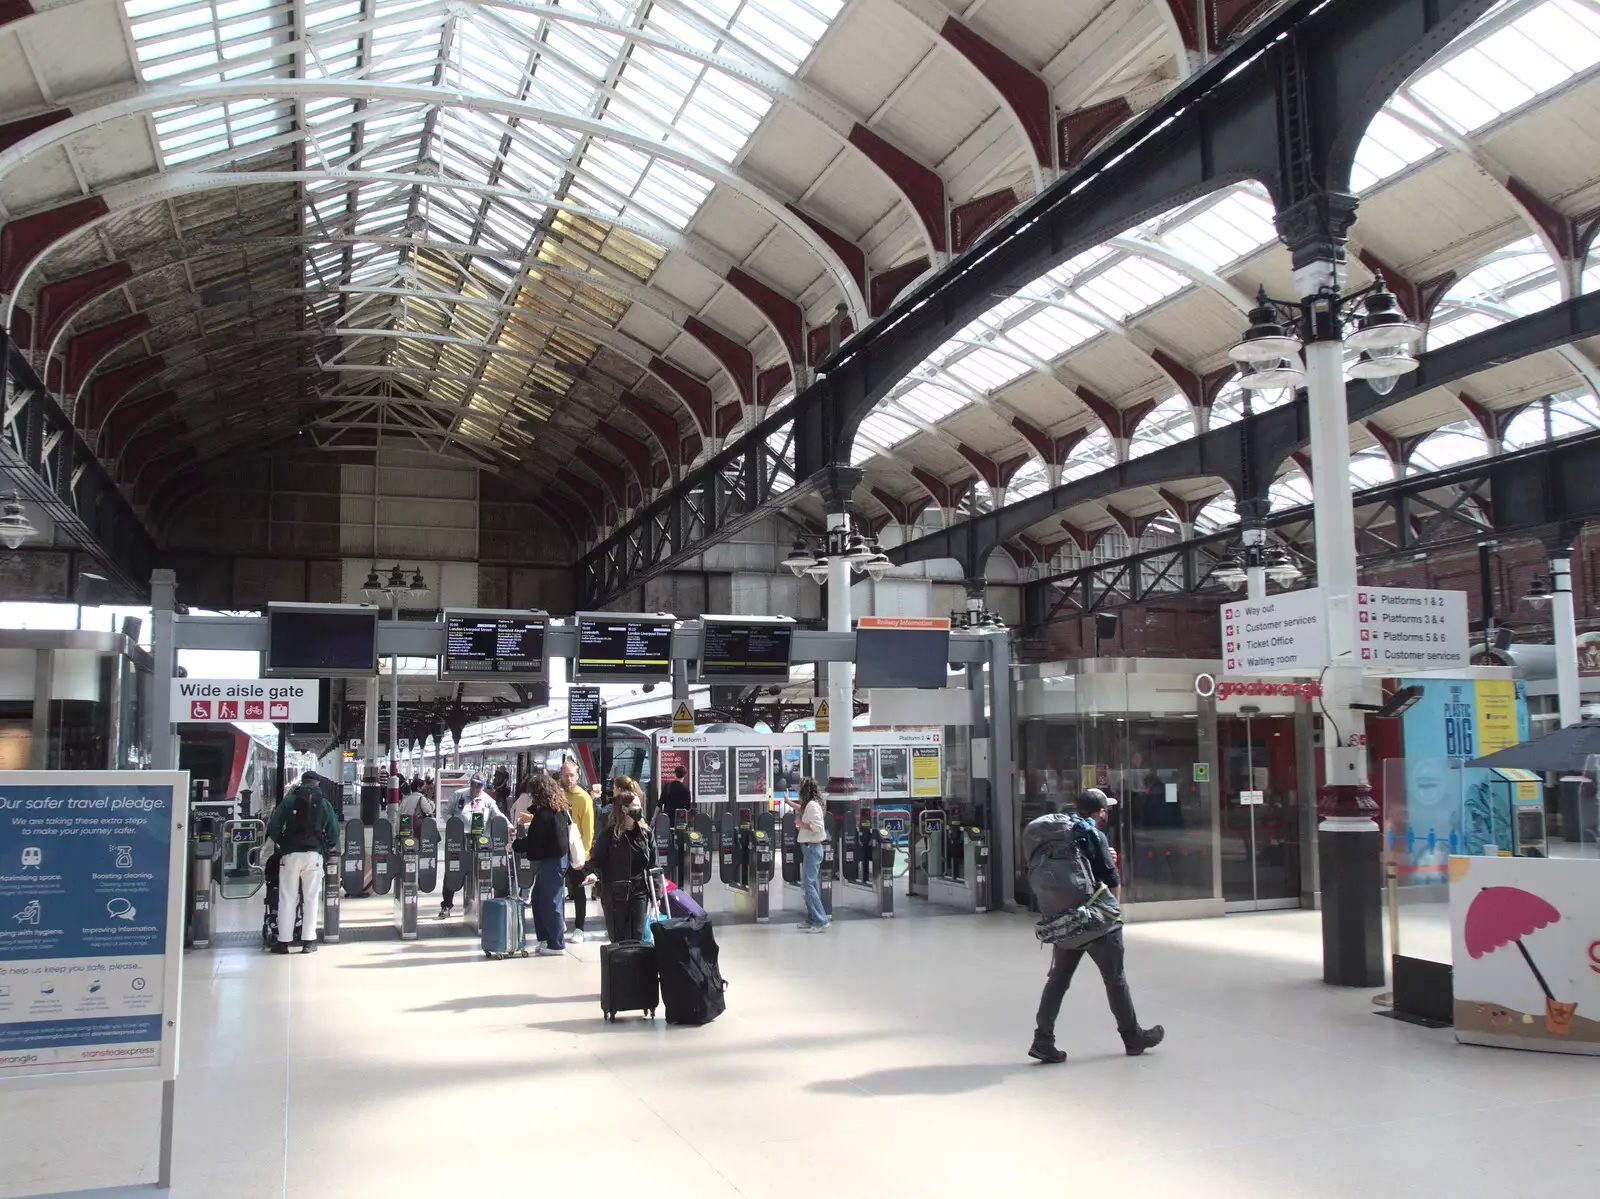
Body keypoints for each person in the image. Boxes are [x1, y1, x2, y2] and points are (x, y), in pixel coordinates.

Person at [1029, 789, 1164, 1063]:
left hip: (1065, 920)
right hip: (1098, 922)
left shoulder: (1059, 835)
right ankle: (1132, 1037)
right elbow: (1111, 880)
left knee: (1057, 981)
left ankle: (1043, 1039)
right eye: (1105, 810)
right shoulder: (1094, 835)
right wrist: (1114, 916)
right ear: (1100, 812)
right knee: (1115, 981)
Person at [266, 771, 340, 954]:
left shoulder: (290, 801)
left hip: (290, 855)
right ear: (317, 783)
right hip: (313, 856)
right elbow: (334, 832)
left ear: (302, 782)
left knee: (287, 898)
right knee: (311, 898)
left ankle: (283, 942)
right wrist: (326, 845)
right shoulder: (324, 803)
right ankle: (308, 942)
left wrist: (283, 842)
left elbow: (273, 827)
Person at [583, 777, 656, 943]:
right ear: (624, 809)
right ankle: (620, 968)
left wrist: (656, 894)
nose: (639, 810)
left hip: (639, 892)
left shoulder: (646, 834)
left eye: (639, 806)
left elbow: (654, 864)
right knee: (618, 938)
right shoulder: (609, 835)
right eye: (635, 807)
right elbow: (596, 860)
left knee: (637, 936)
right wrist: (593, 874)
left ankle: (637, 968)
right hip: (615, 893)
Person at [514, 773, 571, 956]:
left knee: (549, 902)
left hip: (551, 861)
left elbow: (535, 840)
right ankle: (546, 939)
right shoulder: (557, 808)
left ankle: (556, 944)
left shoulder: (545, 813)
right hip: (557, 860)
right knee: (539, 899)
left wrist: (516, 844)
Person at [438, 776, 504, 919]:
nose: (475, 789)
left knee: (482, 871)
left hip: (480, 840)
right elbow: (446, 812)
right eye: (473, 785)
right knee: (453, 869)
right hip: (460, 838)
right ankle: (446, 905)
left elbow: (498, 815)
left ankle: (480, 904)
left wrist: (509, 827)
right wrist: (454, 824)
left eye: (479, 786)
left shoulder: (488, 800)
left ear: (484, 786)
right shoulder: (458, 795)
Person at [557, 762, 594, 942]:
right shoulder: (557, 795)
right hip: (558, 850)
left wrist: (585, 856)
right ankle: (559, 921)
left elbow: (589, 829)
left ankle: (580, 928)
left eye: (571, 775)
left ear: (577, 776)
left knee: (578, 891)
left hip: (576, 851)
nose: (568, 778)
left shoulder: (583, 798)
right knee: (557, 889)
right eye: (565, 775)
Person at [793, 777, 830, 933]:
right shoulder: (810, 805)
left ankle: (820, 920)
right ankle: (812, 918)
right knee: (808, 885)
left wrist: (801, 824)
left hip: (813, 848)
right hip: (809, 849)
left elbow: (817, 827)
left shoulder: (813, 806)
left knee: (809, 885)